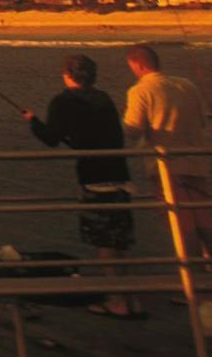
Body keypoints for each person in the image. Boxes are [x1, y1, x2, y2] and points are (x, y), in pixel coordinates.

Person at [25, 53, 137, 317]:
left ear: (67, 75)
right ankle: (130, 297)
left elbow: (51, 138)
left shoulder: (63, 101)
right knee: (120, 242)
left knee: (105, 243)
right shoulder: (104, 99)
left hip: (94, 178)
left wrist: (32, 121)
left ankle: (118, 301)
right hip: (120, 175)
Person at [122, 43, 212, 265]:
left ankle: (193, 279)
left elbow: (132, 130)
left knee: (182, 226)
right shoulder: (187, 85)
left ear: (139, 65)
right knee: (204, 222)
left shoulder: (140, 91)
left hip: (167, 169)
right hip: (196, 164)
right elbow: (202, 120)